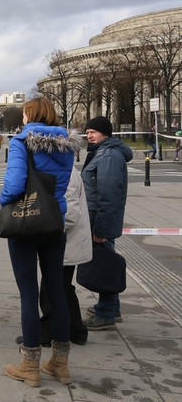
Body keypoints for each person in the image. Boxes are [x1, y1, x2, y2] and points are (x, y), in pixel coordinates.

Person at [0, 96, 83, 387]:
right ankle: (60, 364)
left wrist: (3, 200)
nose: (23, 119)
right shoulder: (66, 146)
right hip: (54, 222)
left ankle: (29, 366)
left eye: (25, 114)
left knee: (28, 293)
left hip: (26, 223)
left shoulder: (22, 142)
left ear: (30, 115)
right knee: (57, 290)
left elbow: (14, 185)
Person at [16, 168, 92, 347]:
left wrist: (45, 233)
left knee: (51, 290)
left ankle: (46, 332)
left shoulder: (66, 173)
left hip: (64, 241)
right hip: (64, 240)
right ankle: (76, 330)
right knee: (63, 287)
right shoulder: (63, 168)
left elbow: (70, 214)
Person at [82, 116, 133, 331]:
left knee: (104, 265)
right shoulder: (102, 152)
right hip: (98, 216)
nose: (89, 136)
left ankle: (106, 313)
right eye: (87, 132)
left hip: (100, 219)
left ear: (105, 133)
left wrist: (101, 229)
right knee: (106, 261)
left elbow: (108, 194)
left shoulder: (109, 156)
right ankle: (112, 307)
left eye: (93, 132)